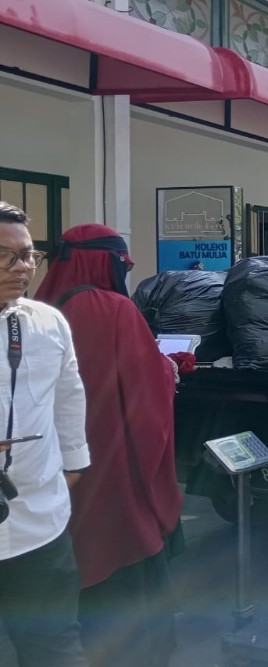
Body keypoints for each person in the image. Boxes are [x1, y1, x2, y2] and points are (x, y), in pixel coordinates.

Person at [35, 225, 183, 667]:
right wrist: (167, 370)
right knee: (120, 546)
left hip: (49, 466)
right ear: (103, 261)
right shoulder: (114, 308)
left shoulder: (36, 311)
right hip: (110, 463)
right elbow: (143, 393)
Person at [0, 202, 90, 667]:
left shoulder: (46, 321)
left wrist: (72, 466)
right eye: (6, 256)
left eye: (29, 255)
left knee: (54, 647)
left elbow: (69, 397)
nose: (22, 269)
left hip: (38, 523)